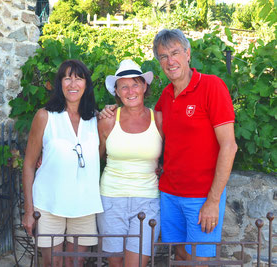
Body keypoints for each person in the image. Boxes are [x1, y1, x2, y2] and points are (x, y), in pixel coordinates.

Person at [100, 29, 238, 265]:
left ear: (187, 53)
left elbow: (229, 146)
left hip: (201, 195)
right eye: (163, 56)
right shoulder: (166, 96)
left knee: (198, 259)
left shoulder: (212, 86)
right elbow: (155, 138)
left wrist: (213, 200)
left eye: (175, 53)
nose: (170, 61)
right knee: (180, 255)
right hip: (170, 194)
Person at [22, 59, 103, 267]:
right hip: (49, 204)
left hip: (84, 205)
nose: (73, 84)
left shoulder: (96, 119)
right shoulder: (44, 117)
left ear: (86, 85)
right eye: (67, 78)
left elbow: (101, 156)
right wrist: (29, 210)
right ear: (60, 83)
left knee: (75, 264)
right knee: (53, 264)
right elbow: (29, 165)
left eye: (79, 78)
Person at [97, 59, 163, 267]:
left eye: (135, 84)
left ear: (144, 86)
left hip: (148, 200)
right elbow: (93, 158)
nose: (130, 90)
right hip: (111, 200)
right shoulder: (107, 120)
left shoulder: (159, 120)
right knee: (116, 264)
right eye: (123, 86)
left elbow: (175, 153)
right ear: (117, 91)